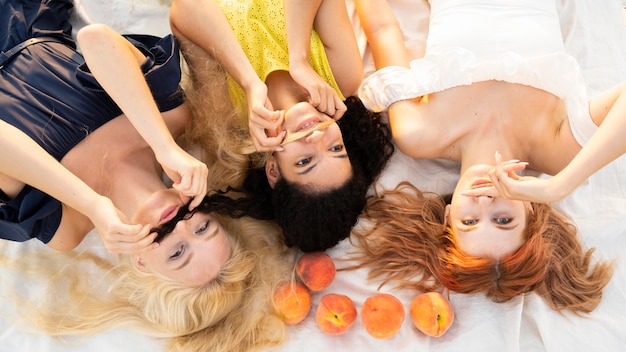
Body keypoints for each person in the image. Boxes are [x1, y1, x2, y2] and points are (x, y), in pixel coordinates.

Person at [0, 1, 297, 349]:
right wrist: (162, 145)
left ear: (142, 263)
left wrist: (93, 204)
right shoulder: (170, 126)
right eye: (203, 227)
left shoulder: (70, 225)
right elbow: (97, 39)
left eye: (177, 252)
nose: (182, 224)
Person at [349, 0, 620, 313]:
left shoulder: (418, 134)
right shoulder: (558, 153)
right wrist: (560, 186)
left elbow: (383, 29)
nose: (484, 201)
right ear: (531, 213)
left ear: (449, 216)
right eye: (503, 220)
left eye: (469, 221)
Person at [170, 0, 394, 252]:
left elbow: (185, 8)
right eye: (335, 149)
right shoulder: (341, 77)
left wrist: (249, 82)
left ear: (274, 172)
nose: (318, 137)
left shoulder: (228, 114)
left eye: (304, 162)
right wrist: (299, 61)